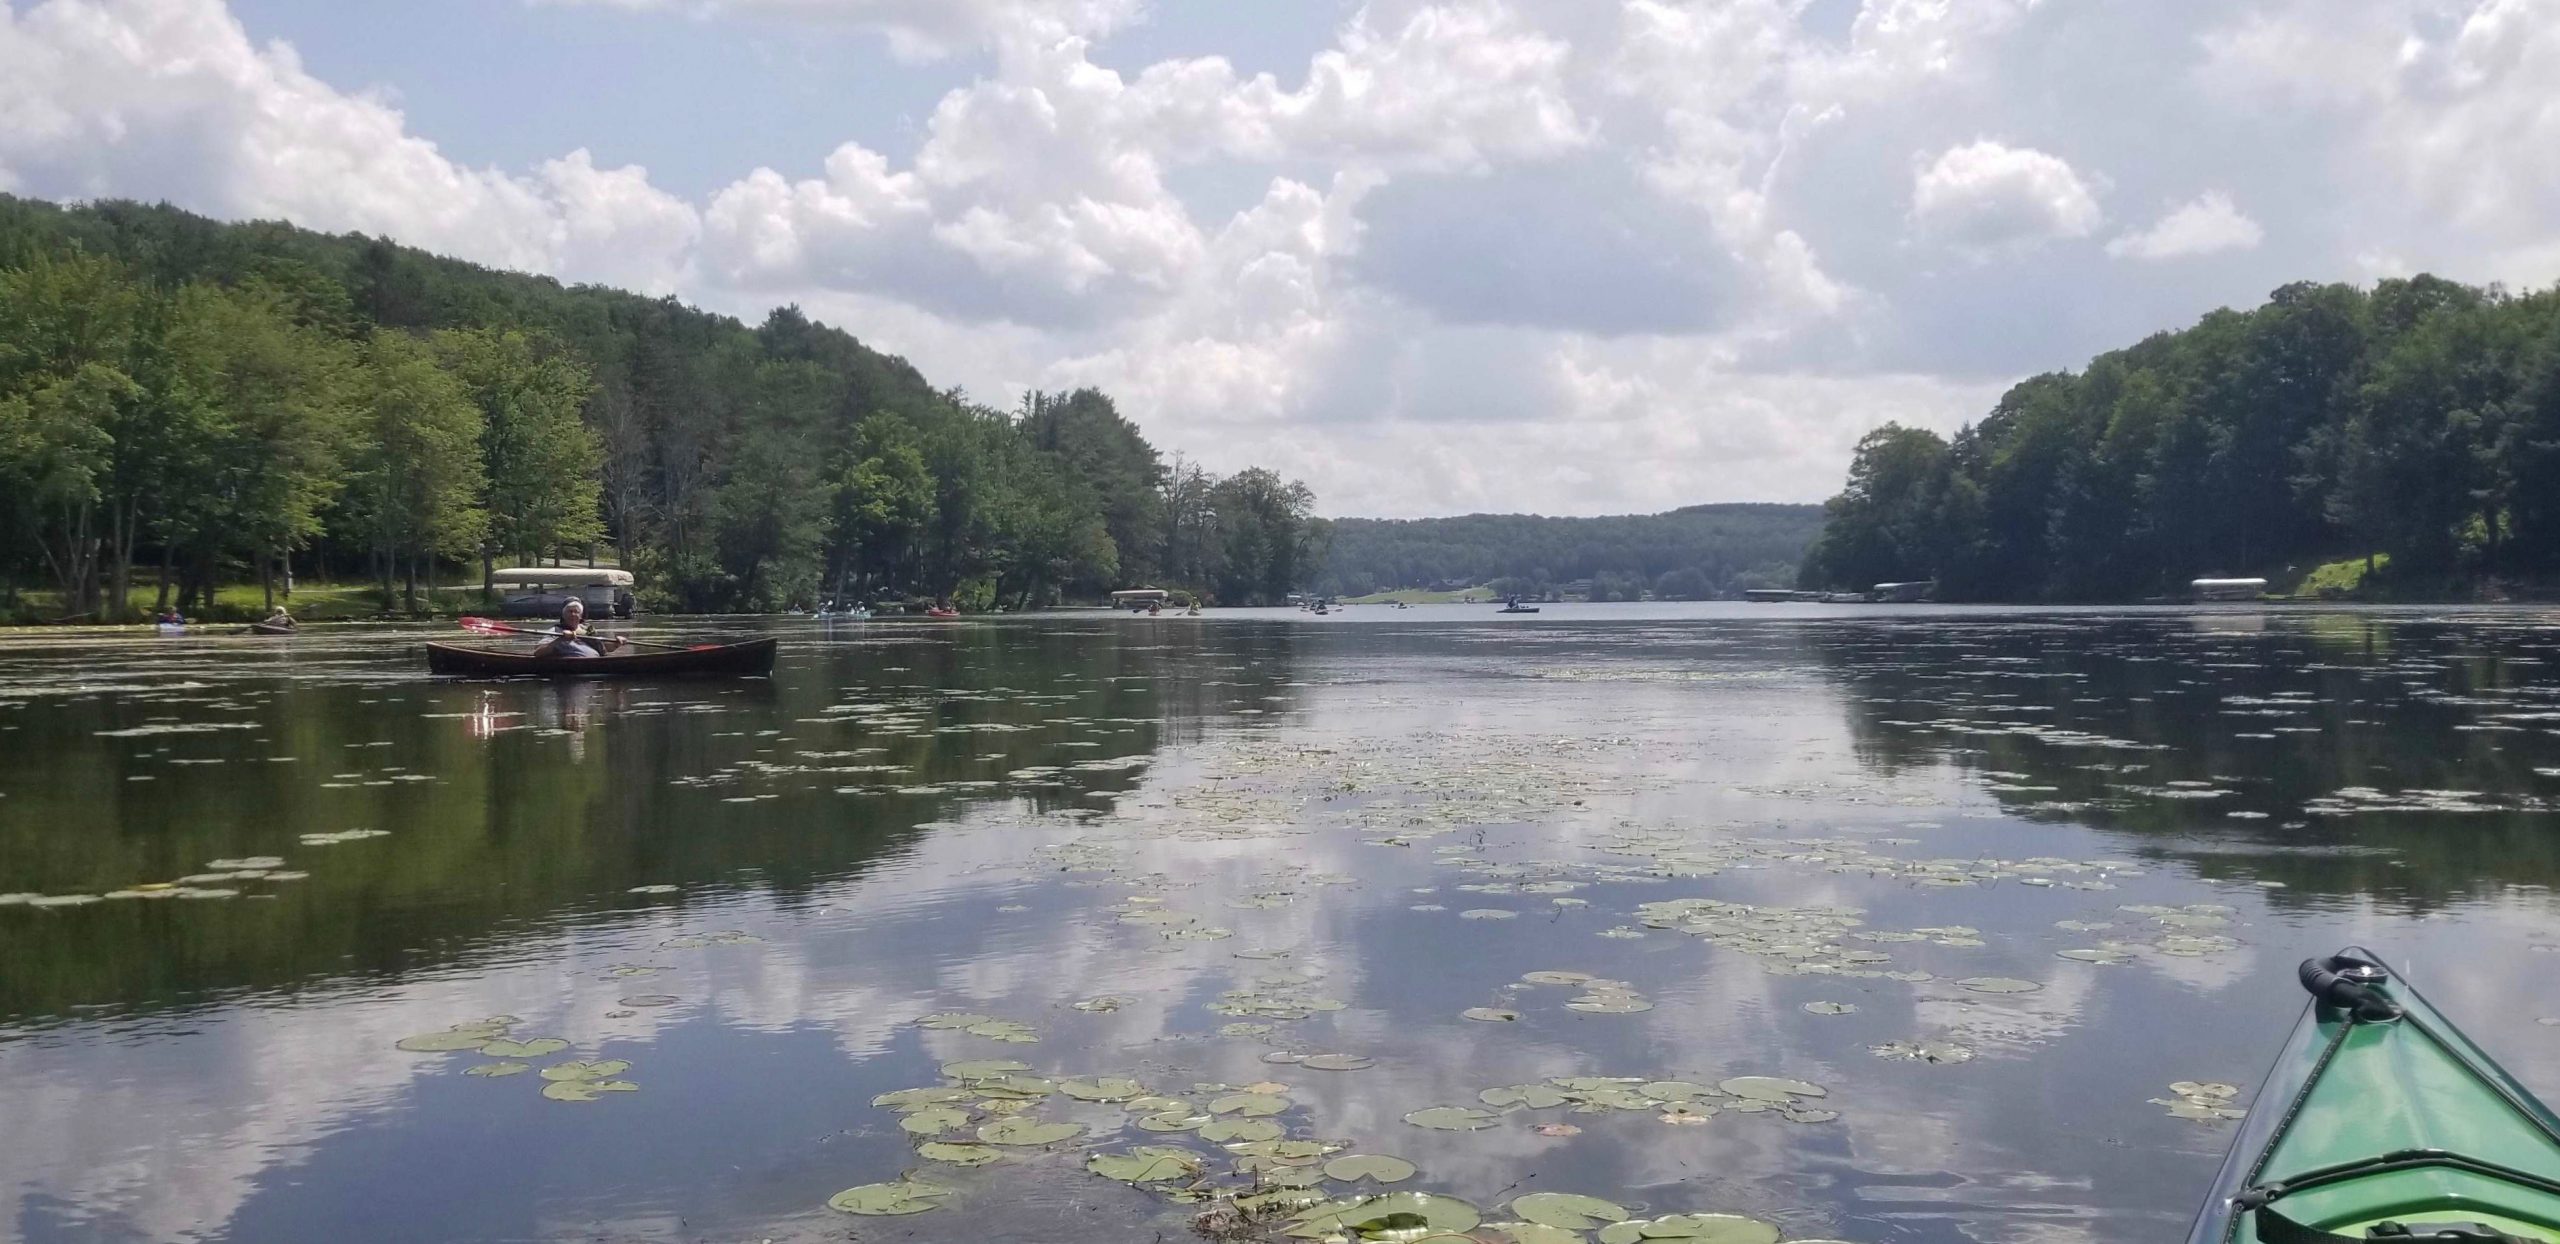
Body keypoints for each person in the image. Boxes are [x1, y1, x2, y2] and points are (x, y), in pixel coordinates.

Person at [534, 599, 625, 658]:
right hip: (571, 669)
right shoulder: (556, 631)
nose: (573, 614)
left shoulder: (588, 630)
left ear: (581, 616)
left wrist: (616, 644)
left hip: (596, 664)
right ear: (563, 615)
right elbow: (538, 653)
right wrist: (560, 640)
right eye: (569, 611)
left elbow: (604, 648)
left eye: (576, 612)